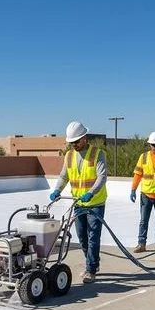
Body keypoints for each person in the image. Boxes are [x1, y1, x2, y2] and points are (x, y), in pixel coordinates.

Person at [49, 121, 108, 283]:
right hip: (78, 204)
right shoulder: (69, 156)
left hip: (95, 203)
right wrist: (57, 190)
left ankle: (91, 269)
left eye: (76, 141)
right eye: (71, 142)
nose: (73, 144)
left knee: (93, 236)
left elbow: (102, 177)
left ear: (85, 138)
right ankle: (93, 263)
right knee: (82, 237)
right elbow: (64, 176)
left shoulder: (98, 154)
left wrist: (90, 193)